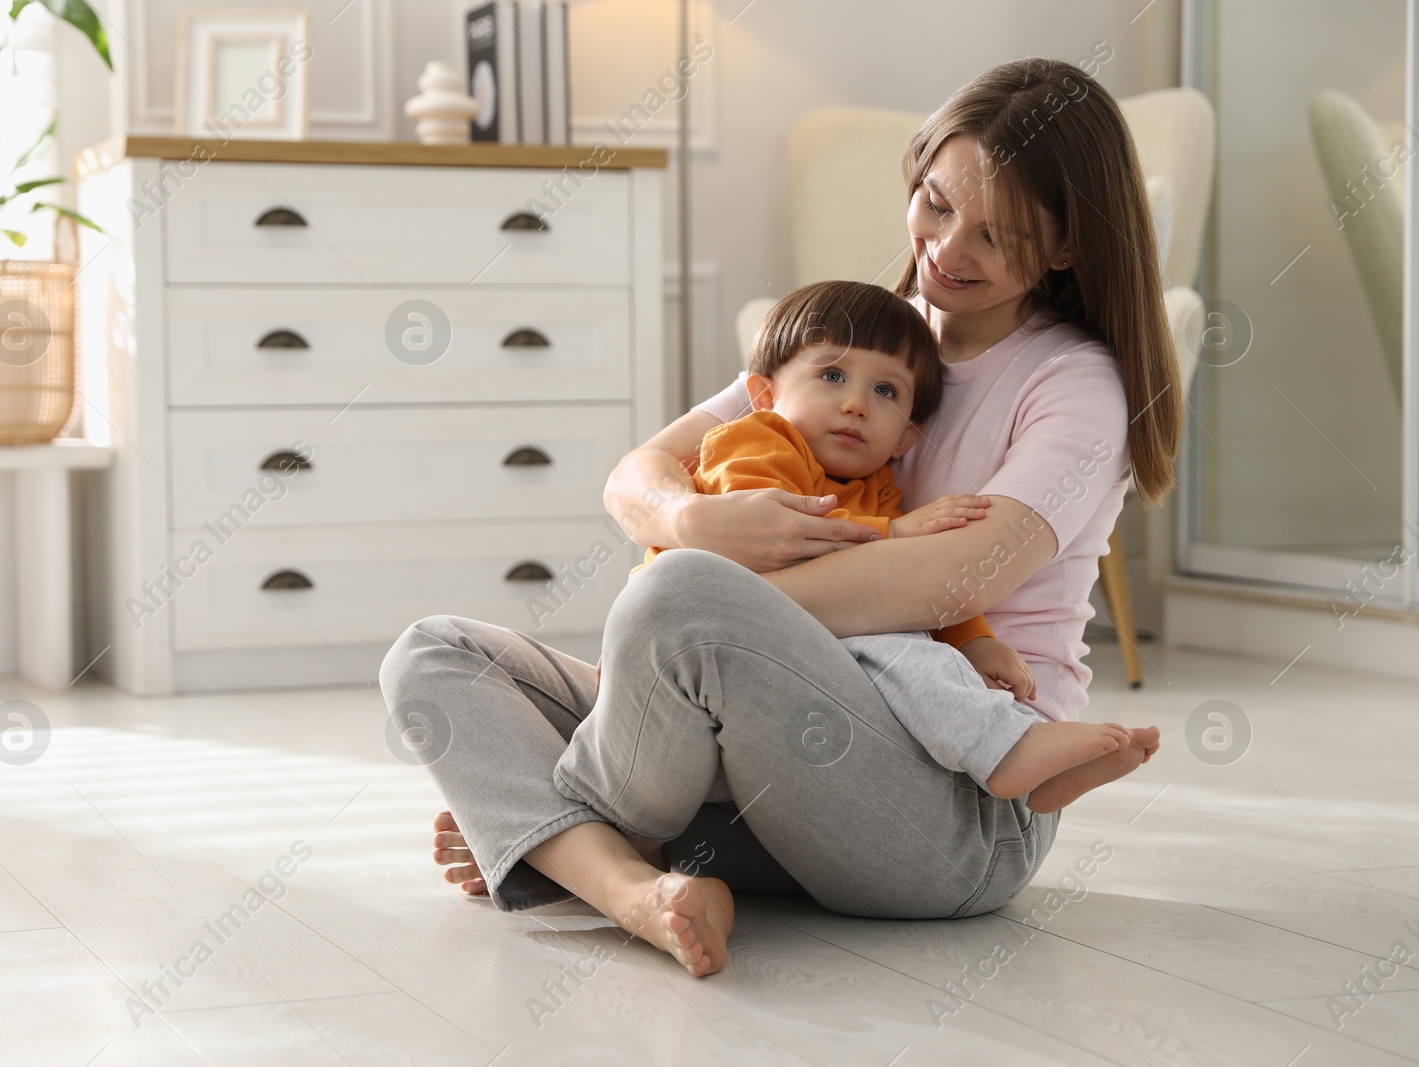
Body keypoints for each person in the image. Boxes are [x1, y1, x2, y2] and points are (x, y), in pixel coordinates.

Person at [380, 56, 1180, 979]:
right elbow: (636, 474)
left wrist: (709, 595)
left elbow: (951, 580)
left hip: (957, 806)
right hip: (765, 777)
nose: (947, 249)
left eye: (995, 237)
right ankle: (636, 891)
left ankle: (550, 836)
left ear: (1069, 247)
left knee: (676, 600)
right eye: (935, 202)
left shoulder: (1075, 383)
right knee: (432, 654)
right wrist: (690, 519)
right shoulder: (869, 337)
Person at [584, 278, 1145, 812]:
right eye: (832, 377)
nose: (856, 403)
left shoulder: (875, 487)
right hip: (696, 639)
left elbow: (907, 589)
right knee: (893, 650)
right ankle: (1008, 751)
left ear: (905, 438)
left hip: (778, 664)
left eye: (884, 391)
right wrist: (893, 533)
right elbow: (764, 543)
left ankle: (1018, 757)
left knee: (911, 648)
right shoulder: (757, 439)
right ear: (761, 395)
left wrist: (973, 641)